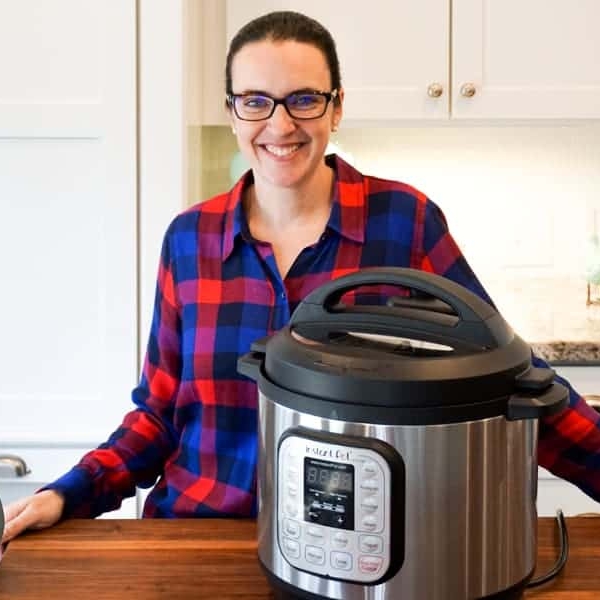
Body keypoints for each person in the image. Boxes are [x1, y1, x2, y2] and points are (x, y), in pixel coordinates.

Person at [2, 10, 600, 545]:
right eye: (256, 100)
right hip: (200, 539)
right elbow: (157, 416)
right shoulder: (190, 239)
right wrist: (67, 493)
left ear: (336, 107)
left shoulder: (404, 221)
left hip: (359, 550)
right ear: (233, 110)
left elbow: (508, 379)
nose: (280, 124)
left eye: (304, 99)